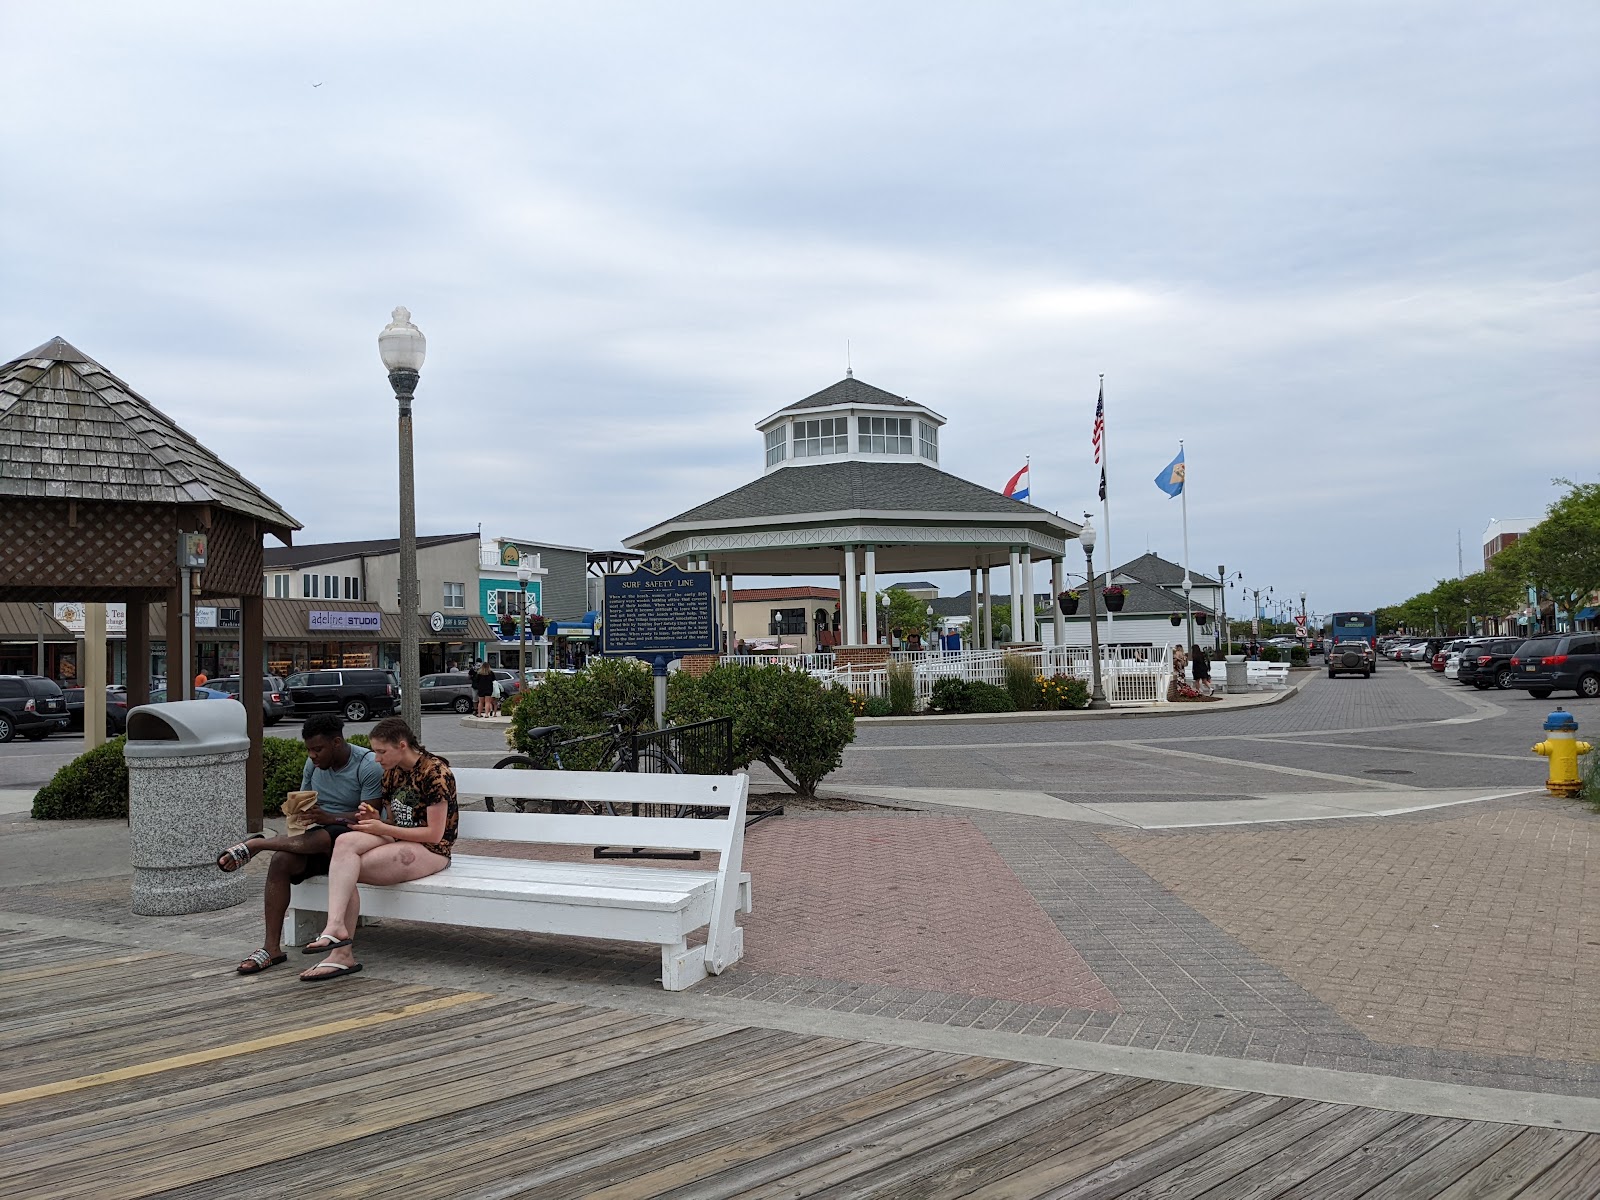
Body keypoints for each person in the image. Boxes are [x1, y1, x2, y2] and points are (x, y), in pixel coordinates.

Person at [214, 713, 384, 975]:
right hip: (318, 842)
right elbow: (304, 803)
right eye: (309, 750)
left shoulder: (367, 765)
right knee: (281, 861)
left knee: (335, 832)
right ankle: (271, 948)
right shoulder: (312, 765)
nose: (312, 756)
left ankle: (259, 845)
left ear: (337, 743)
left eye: (318, 750)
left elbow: (369, 816)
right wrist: (300, 815)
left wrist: (330, 817)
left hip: (355, 842)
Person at [298, 717, 458, 983]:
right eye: (375, 752)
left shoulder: (435, 773)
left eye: (381, 752)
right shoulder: (392, 772)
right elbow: (394, 823)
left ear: (402, 745)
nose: (376, 758)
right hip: (400, 839)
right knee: (345, 843)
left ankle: (341, 953)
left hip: (432, 850)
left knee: (348, 867)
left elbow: (435, 833)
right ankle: (335, 927)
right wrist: (374, 818)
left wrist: (382, 828)